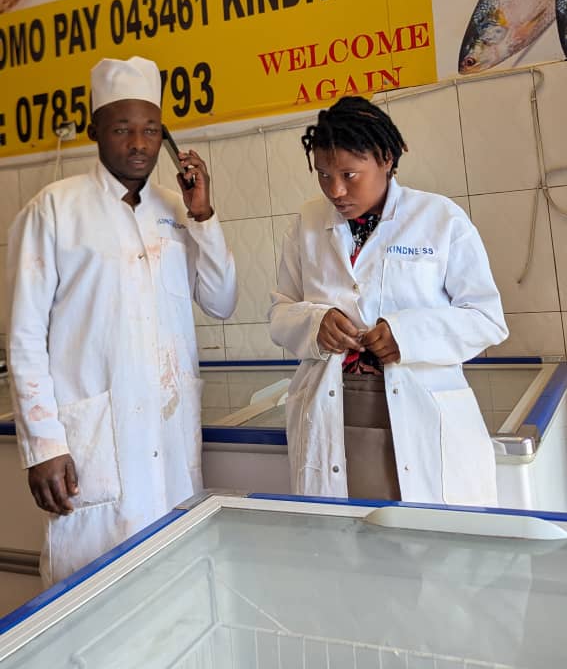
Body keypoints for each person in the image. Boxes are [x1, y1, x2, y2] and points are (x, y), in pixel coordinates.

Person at [7, 55, 237, 585]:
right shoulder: (54, 209)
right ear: (95, 131)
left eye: (151, 129)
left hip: (168, 439)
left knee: (176, 587)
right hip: (92, 445)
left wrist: (203, 215)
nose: (139, 143)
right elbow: (24, 337)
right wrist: (44, 445)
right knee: (91, 592)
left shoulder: (177, 210)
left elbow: (221, 301)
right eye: (122, 129)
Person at [270, 95, 508, 506]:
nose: (336, 190)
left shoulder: (440, 219)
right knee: (342, 539)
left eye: (349, 174)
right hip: (333, 408)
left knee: (426, 537)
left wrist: (407, 335)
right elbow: (280, 311)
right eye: (324, 175)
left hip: (420, 408)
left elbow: (487, 318)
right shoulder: (307, 223)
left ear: (386, 159)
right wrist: (315, 323)